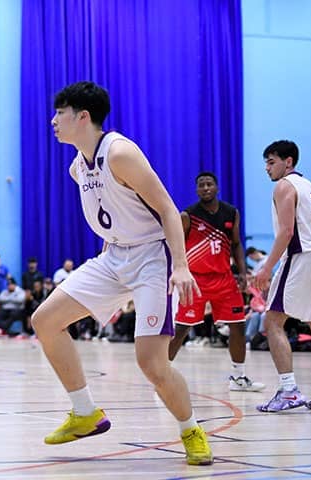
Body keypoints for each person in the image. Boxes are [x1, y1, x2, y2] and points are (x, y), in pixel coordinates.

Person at [31, 81, 211, 465]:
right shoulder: (78, 166)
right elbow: (113, 216)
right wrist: (108, 271)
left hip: (152, 258)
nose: (53, 120)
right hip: (113, 256)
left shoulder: (120, 153)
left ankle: (191, 430)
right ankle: (85, 413)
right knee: (45, 320)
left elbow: (168, 209)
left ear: (83, 116)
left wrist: (181, 266)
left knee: (152, 363)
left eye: (60, 113)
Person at [252, 140, 311, 412]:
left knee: (272, 321)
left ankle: (289, 391)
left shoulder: (284, 185)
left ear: (288, 162)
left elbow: (287, 231)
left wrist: (266, 267)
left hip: (300, 256)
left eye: (271, 162)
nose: (267, 168)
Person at [168, 172, 264, 392]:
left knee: (238, 326)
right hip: (195, 280)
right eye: (201, 185)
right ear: (196, 190)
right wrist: (178, 271)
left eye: (209, 184)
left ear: (217, 187)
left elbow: (236, 244)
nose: (205, 188)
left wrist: (243, 273)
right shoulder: (188, 216)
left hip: (224, 279)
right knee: (181, 329)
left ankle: (238, 378)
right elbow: (176, 245)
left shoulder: (231, 213)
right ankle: (162, 377)